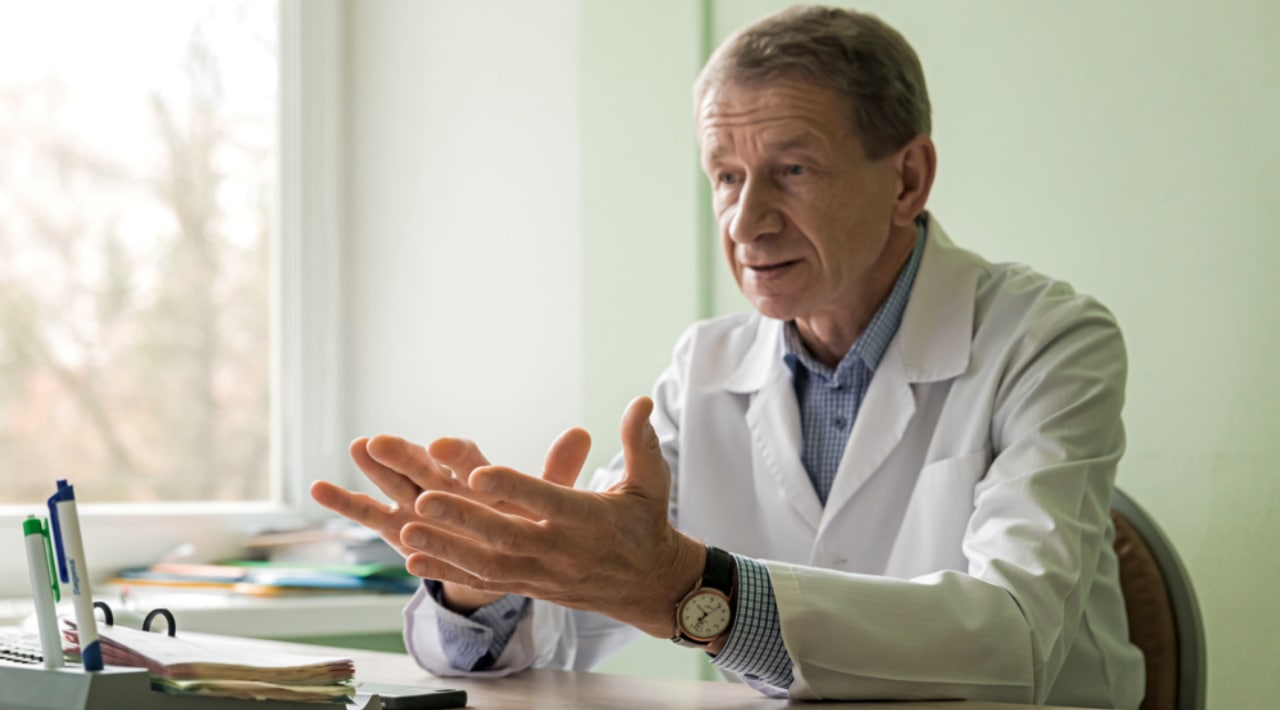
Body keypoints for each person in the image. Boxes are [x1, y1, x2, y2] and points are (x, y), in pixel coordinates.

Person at [311, 5, 1145, 708]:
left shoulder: (1047, 341)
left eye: (793, 169)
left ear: (907, 181)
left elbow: (1013, 640)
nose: (746, 223)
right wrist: (490, 579)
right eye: (725, 176)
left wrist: (690, 589)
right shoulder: (705, 366)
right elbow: (580, 615)